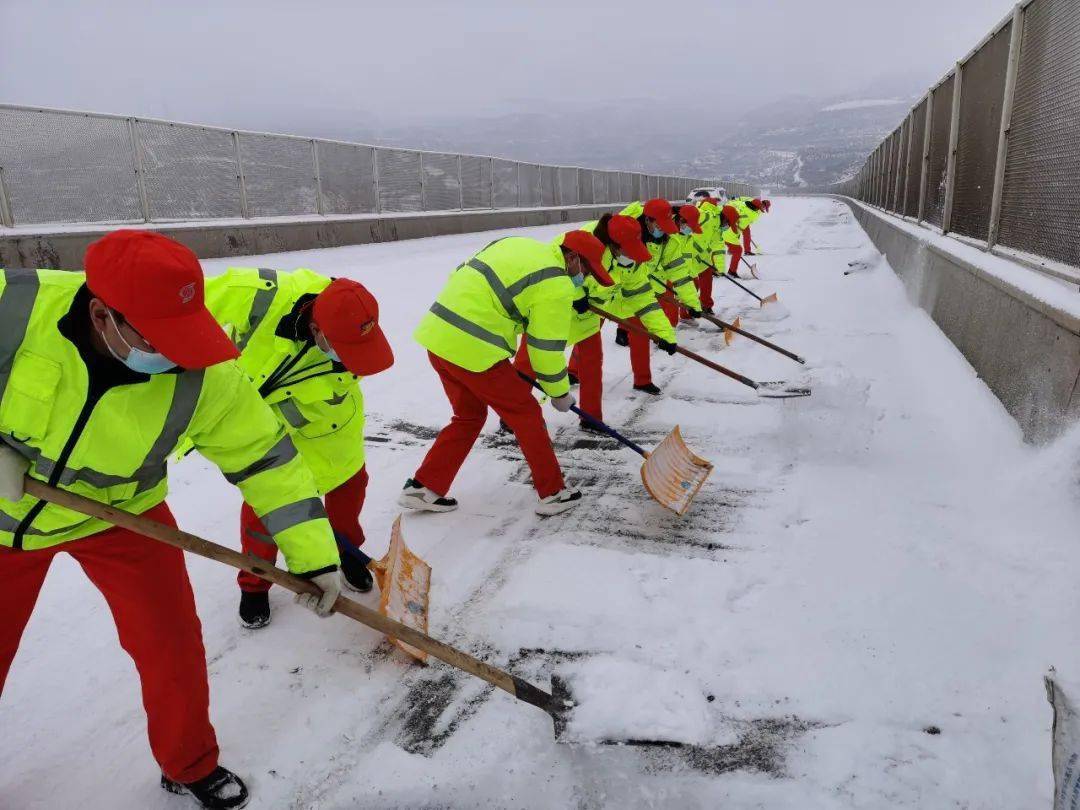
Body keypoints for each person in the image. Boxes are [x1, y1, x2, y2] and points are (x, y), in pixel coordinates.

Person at [0, 231, 343, 810]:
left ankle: (189, 763)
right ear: (102, 315)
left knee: (172, 645)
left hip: (124, 517)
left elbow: (267, 460)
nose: (179, 355)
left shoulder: (205, 370)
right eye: (158, 338)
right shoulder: (14, 307)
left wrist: (314, 557)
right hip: (3, 518)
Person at [202, 269, 394, 629]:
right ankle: (255, 582)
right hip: (272, 432)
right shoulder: (262, 295)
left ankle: (345, 553)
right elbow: (184, 306)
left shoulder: (352, 315)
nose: (349, 359)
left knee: (349, 495)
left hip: (334, 424)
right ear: (317, 329)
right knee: (265, 515)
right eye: (343, 349)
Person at [399, 231, 612, 516]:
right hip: (474, 346)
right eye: (585, 270)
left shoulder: (518, 244)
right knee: (526, 414)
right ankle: (553, 493)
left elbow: (466, 274)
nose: (583, 279)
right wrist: (559, 393)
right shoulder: (557, 282)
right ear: (572, 258)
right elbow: (545, 350)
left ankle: (423, 487)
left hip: (438, 334)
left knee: (469, 416)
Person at [513, 214, 651, 429]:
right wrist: (577, 295)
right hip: (550, 310)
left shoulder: (611, 255)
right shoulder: (574, 242)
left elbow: (602, 283)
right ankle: (512, 414)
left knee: (592, 363)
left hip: (586, 315)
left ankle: (591, 417)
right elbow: (558, 273)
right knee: (528, 360)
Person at [611, 199, 681, 394]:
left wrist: (665, 335)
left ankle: (642, 380)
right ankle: (573, 371)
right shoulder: (622, 229)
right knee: (587, 328)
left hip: (635, 283)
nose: (662, 230)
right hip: (600, 287)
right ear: (648, 219)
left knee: (640, 329)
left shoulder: (663, 238)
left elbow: (645, 271)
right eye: (659, 225)